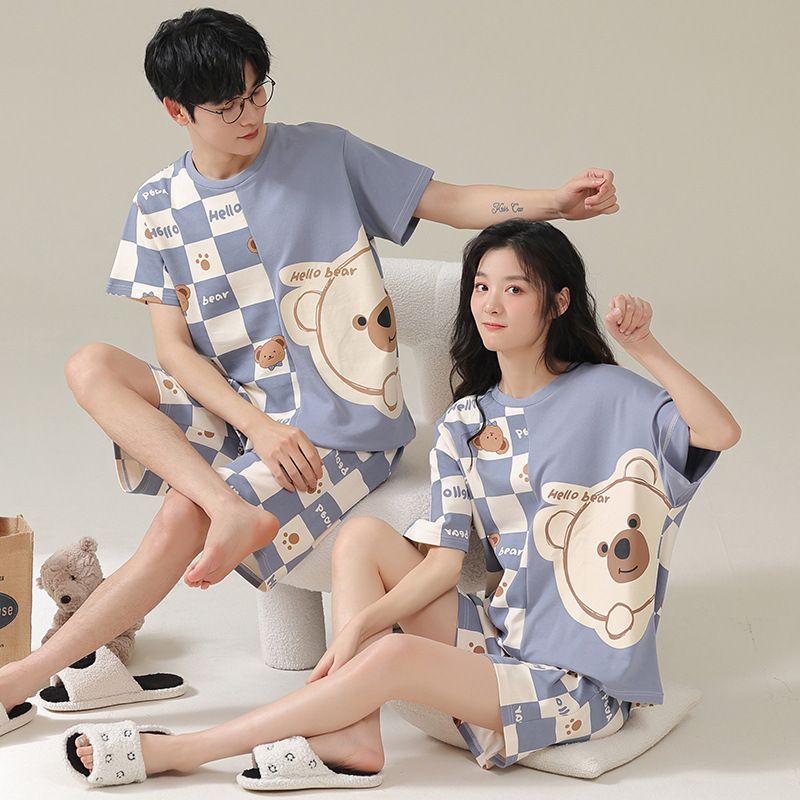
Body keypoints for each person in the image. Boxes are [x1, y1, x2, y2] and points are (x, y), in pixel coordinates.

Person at [0, 8, 619, 731]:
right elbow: (173, 352)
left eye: (257, 92)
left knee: (179, 515)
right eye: (227, 105)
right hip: (241, 413)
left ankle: (20, 679)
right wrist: (256, 428)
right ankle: (226, 506)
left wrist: (554, 202)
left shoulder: (326, 154)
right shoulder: (155, 207)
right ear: (177, 111)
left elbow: (449, 202)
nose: (250, 114)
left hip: (339, 426)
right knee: (90, 364)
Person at [63, 219, 739, 786]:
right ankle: (356, 735)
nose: (491, 303)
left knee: (391, 659)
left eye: (515, 288)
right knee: (363, 537)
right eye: (481, 286)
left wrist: (644, 347)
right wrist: (361, 624)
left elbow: (718, 431)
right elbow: (441, 565)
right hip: (501, 644)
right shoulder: (466, 422)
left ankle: (182, 752)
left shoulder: (612, 395)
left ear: (558, 303)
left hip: (577, 686)